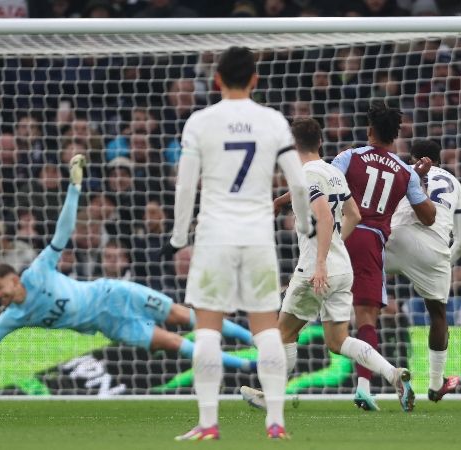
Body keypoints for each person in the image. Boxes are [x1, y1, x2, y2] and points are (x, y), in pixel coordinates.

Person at [0, 155, 257, 382]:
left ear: (14, 278)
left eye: (0, 288)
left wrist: (74, 189)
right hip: (109, 324)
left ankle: (253, 341)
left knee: (183, 316)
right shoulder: (13, 318)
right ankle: (247, 367)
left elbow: (62, 232)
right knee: (174, 343)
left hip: (114, 292)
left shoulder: (38, 272)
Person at [167, 46, 311, 441]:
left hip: (214, 235)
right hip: (257, 237)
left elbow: (185, 186)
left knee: (208, 330)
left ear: (216, 80)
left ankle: (209, 422)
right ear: (255, 80)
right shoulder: (273, 121)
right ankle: (276, 420)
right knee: (266, 329)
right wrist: (307, 226)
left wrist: (180, 237)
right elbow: (298, 183)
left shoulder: (200, 122)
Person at [239, 118, 415, 413]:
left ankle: (270, 396)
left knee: (280, 334)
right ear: (319, 142)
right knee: (338, 340)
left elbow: (324, 216)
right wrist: (331, 246)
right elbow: (354, 215)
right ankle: (393, 374)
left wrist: (320, 263)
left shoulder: (304, 174)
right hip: (343, 269)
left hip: (314, 270)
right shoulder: (332, 172)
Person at [320, 101, 435, 411]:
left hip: (342, 234)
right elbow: (428, 217)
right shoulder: (404, 171)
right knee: (366, 318)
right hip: (372, 242)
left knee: (307, 309)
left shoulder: (349, 156)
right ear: (395, 136)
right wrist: (416, 179)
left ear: (369, 130)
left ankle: (272, 380)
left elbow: (324, 184)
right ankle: (363, 388)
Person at [386, 140, 461, 402]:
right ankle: (435, 385)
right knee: (438, 314)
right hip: (432, 252)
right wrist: (444, 263)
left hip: (394, 239)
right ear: (440, 159)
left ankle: (369, 378)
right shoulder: (454, 182)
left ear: (413, 158)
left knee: (355, 286)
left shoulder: (404, 172)